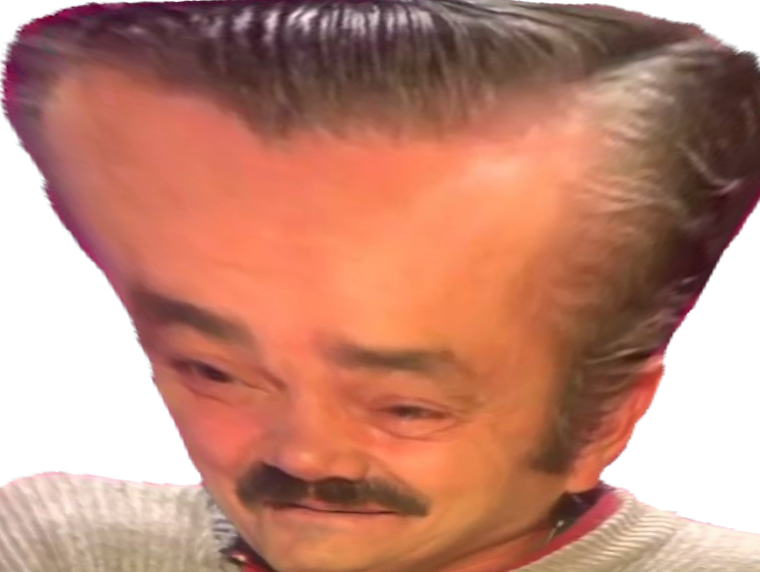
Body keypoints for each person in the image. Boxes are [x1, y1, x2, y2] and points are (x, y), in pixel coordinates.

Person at [1, 0, 759, 571]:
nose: (305, 456)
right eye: (215, 371)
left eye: (405, 407)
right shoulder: (59, 547)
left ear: (600, 420)